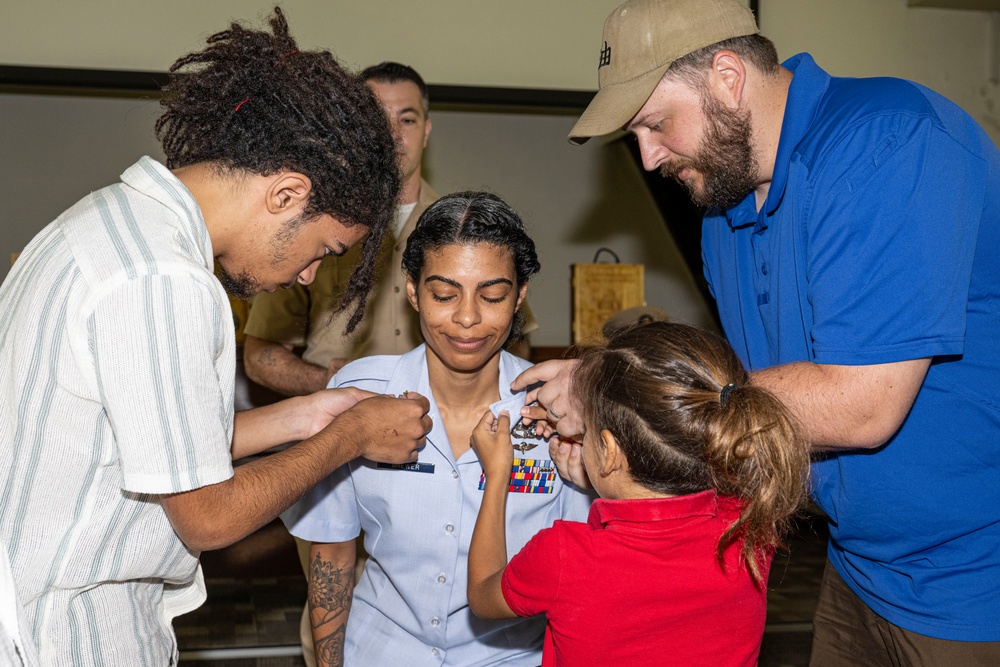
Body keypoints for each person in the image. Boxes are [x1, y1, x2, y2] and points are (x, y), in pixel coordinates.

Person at [517, 0, 1000, 664]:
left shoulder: (888, 143)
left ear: (727, 76)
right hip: (858, 567)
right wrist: (620, 469)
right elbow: (754, 402)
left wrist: (614, 392)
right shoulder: (724, 213)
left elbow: (861, 403)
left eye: (656, 123)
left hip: (971, 581)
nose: (649, 157)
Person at [0, 8, 432, 665]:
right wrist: (348, 438)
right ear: (288, 193)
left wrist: (304, 416)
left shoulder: (111, 225)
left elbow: (152, 445)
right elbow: (208, 513)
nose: (309, 274)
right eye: (323, 249)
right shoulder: (165, 278)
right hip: (66, 631)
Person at [283, 192, 592, 667]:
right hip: (382, 652)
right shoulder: (360, 394)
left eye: (492, 296)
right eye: (444, 295)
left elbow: (581, 566)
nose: (467, 318)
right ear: (412, 291)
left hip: (512, 656)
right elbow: (333, 549)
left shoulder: (555, 408)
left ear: (520, 296)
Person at [469, 321, 809, 666]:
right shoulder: (750, 524)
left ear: (611, 450)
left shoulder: (562, 555)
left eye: (585, 431)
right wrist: (603, 477)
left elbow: (483, 595)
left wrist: (499, 474)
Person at [243, 62, 440, 395]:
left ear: (427, 131)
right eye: (378, 120)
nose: (393, 135)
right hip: (331, 427)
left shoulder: (464, 224)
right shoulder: (308, 222)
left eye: (407, 120)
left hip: (438, 430)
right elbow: (259, 355)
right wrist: (328, 383)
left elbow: (514, 340)